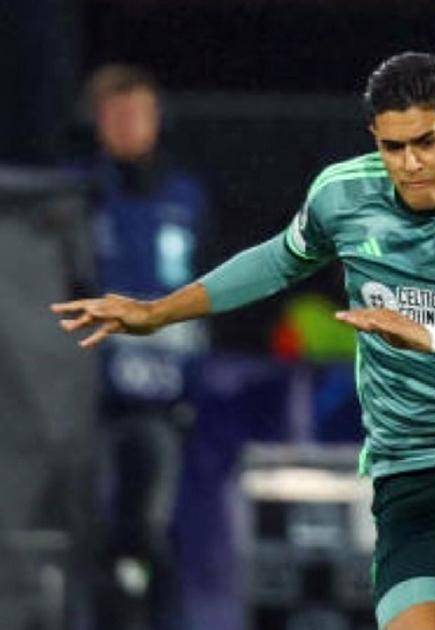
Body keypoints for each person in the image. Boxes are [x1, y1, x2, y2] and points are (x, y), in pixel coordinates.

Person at [52, 52, 435, 630]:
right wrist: (157, 313)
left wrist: (430, 337)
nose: (410, 163)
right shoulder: (343, 194)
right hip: (415, 472)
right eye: (393, 146)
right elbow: (278, 260)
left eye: (427, 142)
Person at [81, 63, 209, 630]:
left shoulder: (187, 197)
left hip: (165, 398)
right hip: (95, 401)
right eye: (116, 115)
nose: (129, 126)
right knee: (99, 532)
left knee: (155, 532)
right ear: (97, 123)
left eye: (139, 114)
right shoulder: (81, 196)